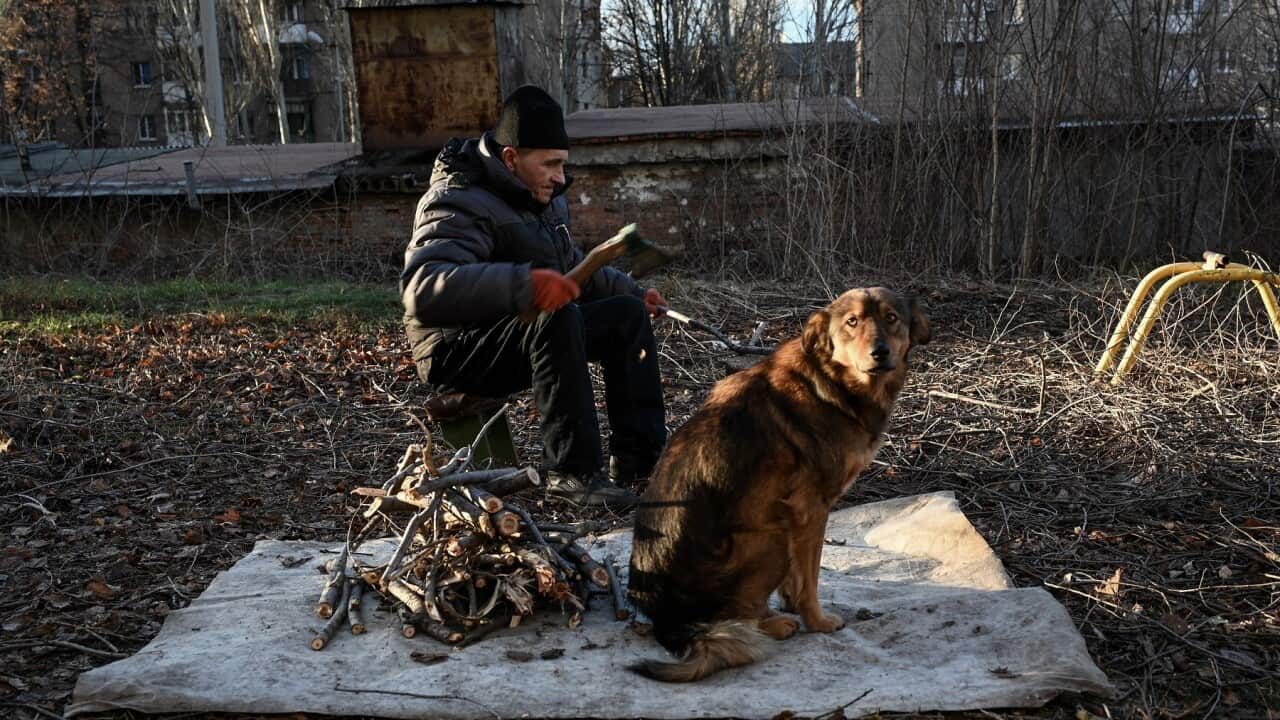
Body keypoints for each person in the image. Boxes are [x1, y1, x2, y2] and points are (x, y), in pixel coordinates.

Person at [401, 85, 668, 510]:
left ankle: (642, 462)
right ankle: (573, 473)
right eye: (551, 164)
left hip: (517, 330)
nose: (560, 177)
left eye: (562, 163)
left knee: (626, 315)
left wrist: (633, 292)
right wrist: (526, 285)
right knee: (557, 316)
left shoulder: (540, 199)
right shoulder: (456, 198)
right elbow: (423, 288)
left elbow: (571, 266)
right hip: (455, 348)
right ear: (511, 158)